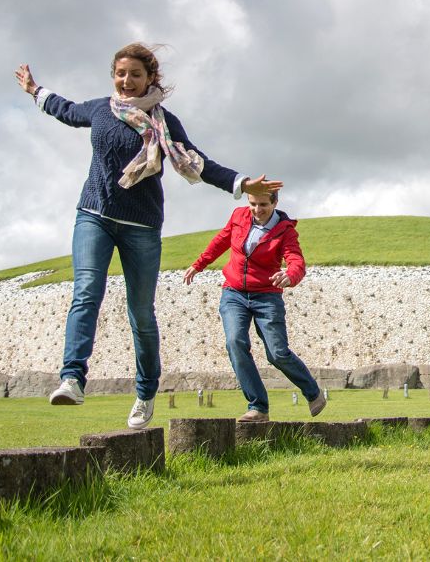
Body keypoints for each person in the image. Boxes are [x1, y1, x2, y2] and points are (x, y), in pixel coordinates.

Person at [15, 43, 282, 430]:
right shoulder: (101, 110)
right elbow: (67, 111)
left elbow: (196, 161)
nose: (126, 81)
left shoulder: (164, 121)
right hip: (94, 215)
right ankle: (72, 377)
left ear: (149, 79)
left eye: (135, 75)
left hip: (141, 226)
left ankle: (145, 393)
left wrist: (241, 183)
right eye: (120, 74)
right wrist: (35, 91)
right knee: (87, 289)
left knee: (140, 313)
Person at [184, 189, 325, 422]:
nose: (257, 210)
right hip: (234, 293)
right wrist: (199, 264)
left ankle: (313, 393)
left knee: (277, 354)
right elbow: (221, 241)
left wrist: (291, 275)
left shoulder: (285, 231)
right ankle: (258, 406)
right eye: (253, 204)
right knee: (235, 342)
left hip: (267, 296)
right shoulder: (239, 216)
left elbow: (296, 260)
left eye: (263, 205)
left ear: (275, 203)